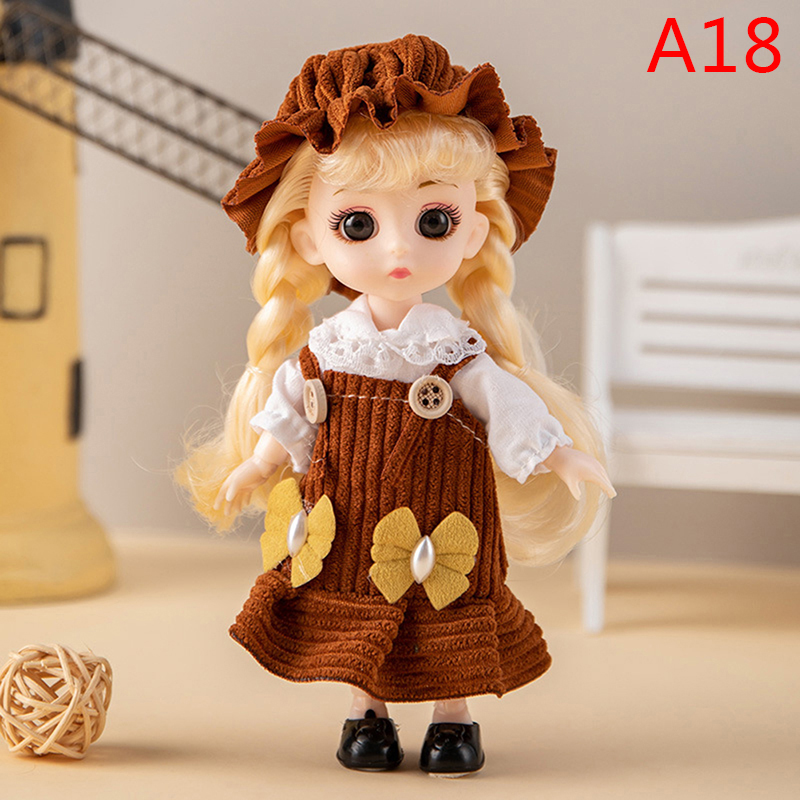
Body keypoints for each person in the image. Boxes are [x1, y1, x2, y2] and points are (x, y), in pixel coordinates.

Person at [177, 34, 614, 777]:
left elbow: (502, 401)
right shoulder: (327, 351)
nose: (398, 251)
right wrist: (258, 462)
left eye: (432, 220)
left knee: (445, 612)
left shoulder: (455, 350)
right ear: (309, 239)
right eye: (358, 224)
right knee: (357, 612)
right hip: (348, 515)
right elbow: (289, 412)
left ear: (472, 231)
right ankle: (367, 713)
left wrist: (555, 452)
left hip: (446, 514)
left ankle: (453, 719)